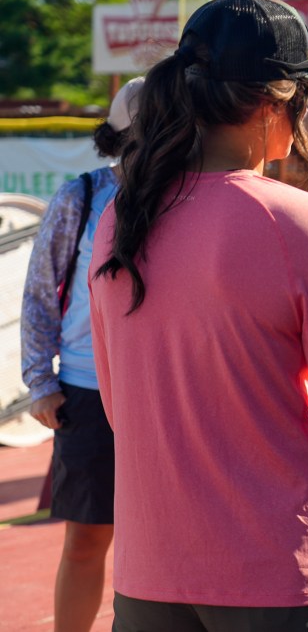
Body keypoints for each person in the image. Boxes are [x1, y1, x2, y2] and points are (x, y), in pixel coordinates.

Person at [88, 0, 308, 631]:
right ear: (277, 102)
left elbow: (120, 407)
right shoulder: (304, 221)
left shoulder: (120, 217)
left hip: (149, 576)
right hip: (281, 571)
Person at [21, 75, 143, 632]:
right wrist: (41, 383)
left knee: (168, 543)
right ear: (119, 137)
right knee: (87, 540)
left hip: (165, 394)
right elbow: (40, 293)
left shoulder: (192, 195)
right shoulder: (83, 196)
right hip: (87, 391)